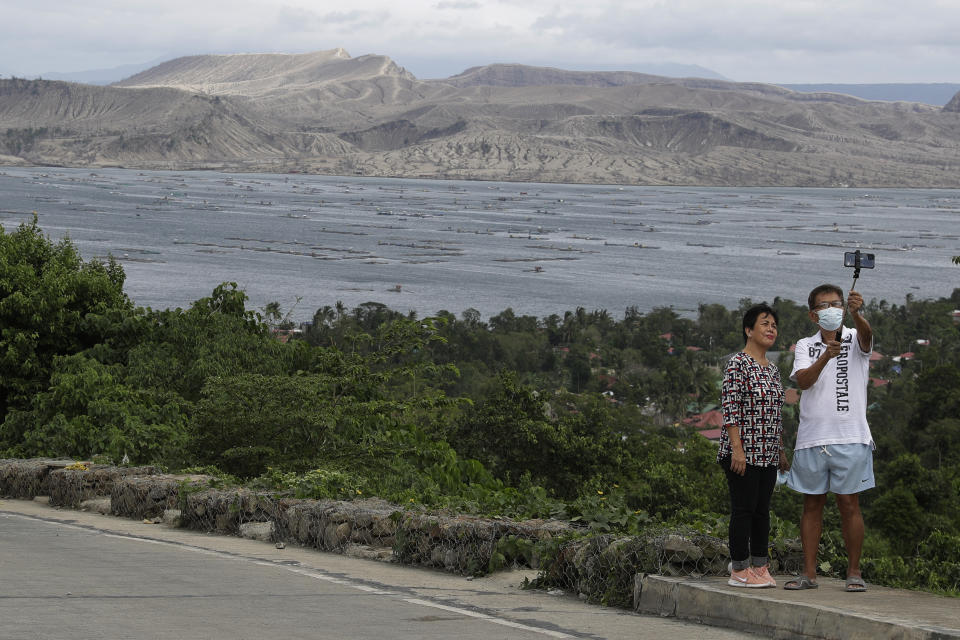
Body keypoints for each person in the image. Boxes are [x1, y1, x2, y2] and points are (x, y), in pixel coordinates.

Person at [785, 284, 874, 592]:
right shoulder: (804, 345)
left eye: (837, 304)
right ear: (813, 315)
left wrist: (857, 313)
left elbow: (867, 339)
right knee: (812, 504)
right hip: (812, 437)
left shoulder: (854, 335)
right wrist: (826, 356)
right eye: (824, 306)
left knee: (849, 504)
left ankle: (854, 572)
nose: (831, 309)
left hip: (851, 435)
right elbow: (804, 383)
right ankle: (809, 574)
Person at [718, 303, 788, 588]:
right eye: (764, 323)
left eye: (773, 325)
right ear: (748, 330)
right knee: (743, 510)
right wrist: (737, 448)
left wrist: (780, 450)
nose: (771, 329)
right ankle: (739, 569)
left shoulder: (773, 370)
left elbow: (776, 412)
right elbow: (730, 408)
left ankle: (760, 567)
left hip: (768, 453)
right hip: (743, 453)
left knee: (762, 512)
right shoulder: (738, 364)